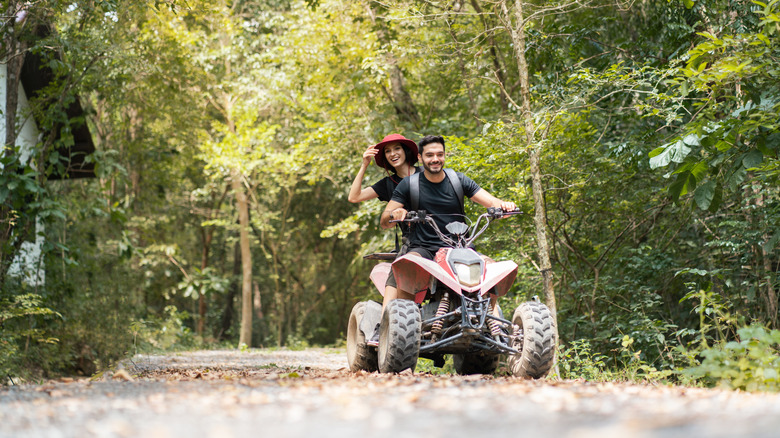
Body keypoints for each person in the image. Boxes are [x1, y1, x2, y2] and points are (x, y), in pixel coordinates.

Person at [367, 135, 516, 345]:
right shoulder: (409, 185)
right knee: (405, 266)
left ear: (445, 156)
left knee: (491, 268)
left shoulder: (458, 180)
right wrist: (395, 213)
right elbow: (385, 219)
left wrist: (504, 206)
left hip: (459, 247)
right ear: (420, 157)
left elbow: (491, 201)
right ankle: (389, 328)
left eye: (439, 154)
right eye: (429, 155)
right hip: (423, 248)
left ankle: (491, 321)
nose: (435, 159)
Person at [348, 134, 421, 204]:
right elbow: (354, 197)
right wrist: (364, 165)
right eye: (388, 151)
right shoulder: (388, 184)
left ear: (405, 151)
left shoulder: (426, 173)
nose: (392, 154)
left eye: (397, 148)